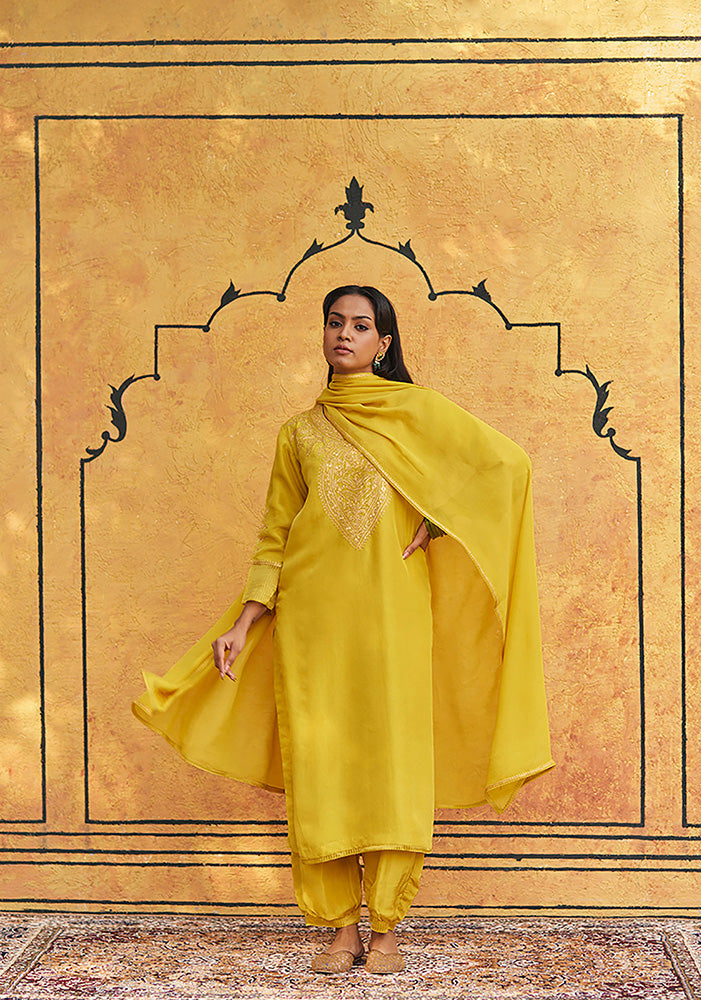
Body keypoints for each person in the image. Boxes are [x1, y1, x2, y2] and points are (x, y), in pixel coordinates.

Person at [133, 285, 554, 976]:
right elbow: (275, 533)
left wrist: (439, 520)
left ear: (383, 343)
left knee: (392, 761)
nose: (345, 335)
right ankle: (339, 927)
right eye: (335, 323)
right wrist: (244, 621)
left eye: (361, 326)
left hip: (393, 616)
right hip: (311, 619)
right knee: (322, 765)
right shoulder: (298, 432)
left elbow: (505, 466)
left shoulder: (416, 415)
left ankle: (386, 927)